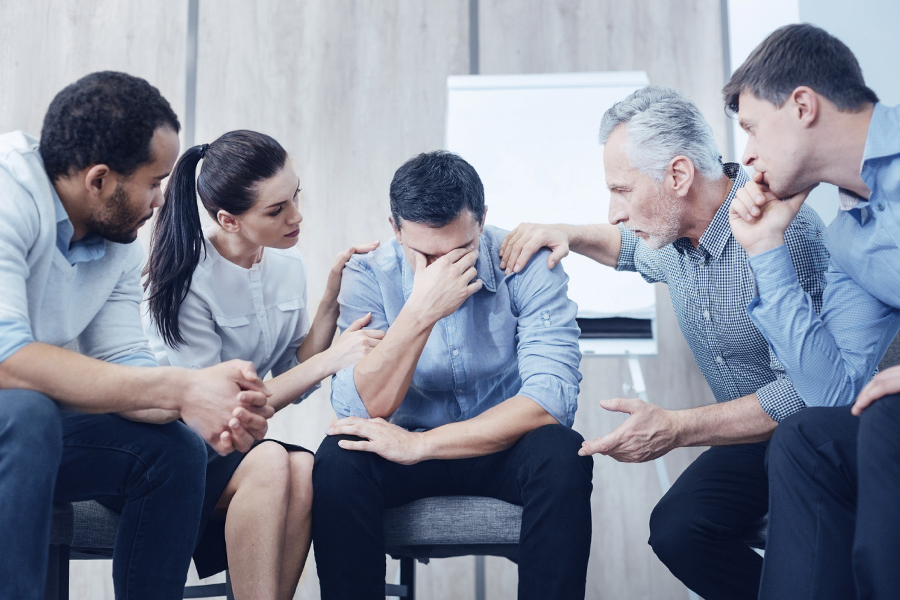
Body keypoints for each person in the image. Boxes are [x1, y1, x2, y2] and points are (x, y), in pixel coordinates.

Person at [498, 85, 829, 600]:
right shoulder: (675, 234)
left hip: (813, 433)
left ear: (678, 175)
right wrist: (565, 232)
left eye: (623, 191)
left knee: (802, 545)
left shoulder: (784, 236)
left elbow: (805, 391)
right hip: (750, 438)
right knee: (677, 531)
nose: (613, 211)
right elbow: (627, 249)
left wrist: (677, 427)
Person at [0, 72, 273, 600]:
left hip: (34, 431)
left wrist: (201, 403)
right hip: (18, 422)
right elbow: (8, 361)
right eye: (154, 182)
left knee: (172, 449)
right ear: (99, 179)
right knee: (28, 411)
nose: (161, 201)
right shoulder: (9, 197)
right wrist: (179, 390)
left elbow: (123, 359)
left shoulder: (116, 236)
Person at [311, 150, 593, 600]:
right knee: (338, 458)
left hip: (500, 444)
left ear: (482, 221)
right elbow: (357, 407)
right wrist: (420, 312)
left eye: (459, 251)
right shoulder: (368, 273)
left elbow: (551, 400)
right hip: (400, 449)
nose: (443, 268)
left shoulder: (530, 264)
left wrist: (421, 446)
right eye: (424, 254)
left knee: (562, 452)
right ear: (395, 228)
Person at [142, 129, 384, 600]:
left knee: (302, 467)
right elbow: (224, 409)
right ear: (229, 221)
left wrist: (332, 300)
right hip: (177, 450)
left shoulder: (285, 267)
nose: (297, 217)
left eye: (294, 196)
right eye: (276, 210)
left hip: (236, 451)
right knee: (274, 457)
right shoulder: (184, 282)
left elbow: (298, 367)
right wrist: (334, 358)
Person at [724, 23, 900, 600]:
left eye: (751, 127)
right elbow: (836, 398)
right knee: (805, 437)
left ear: (802, 105)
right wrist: (764, 248)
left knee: (888, 414)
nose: (745, 154)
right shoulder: (848, 240)